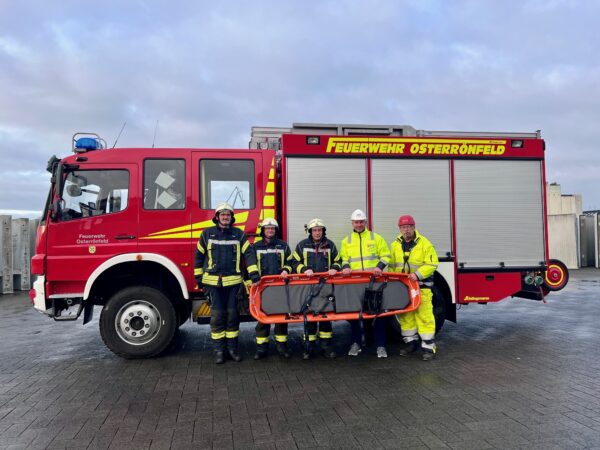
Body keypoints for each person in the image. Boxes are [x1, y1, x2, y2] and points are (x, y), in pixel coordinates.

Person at [195, 202, 260, 364]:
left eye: (228, 215)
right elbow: (198, 257)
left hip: (233, 284)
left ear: (232, 218)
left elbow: (249, 253)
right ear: (217, 217)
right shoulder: (206, 234)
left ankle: (232, 350)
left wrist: (253, 273)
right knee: (217, 317)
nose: (225, 217)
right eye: (222, 214)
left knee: (232, 316)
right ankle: (219, 351)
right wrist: (198, 278)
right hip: (213, 283)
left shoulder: (239, 234)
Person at [340, 209, 391, 358]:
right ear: (352, 223)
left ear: (366, 222)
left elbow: (386, 255)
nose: (359, 224)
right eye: (356, 222)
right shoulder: (346, 240)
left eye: (361, 221)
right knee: (355, 316)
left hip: (374, 283)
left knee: (378, 315)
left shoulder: (376, 238)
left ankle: (380, 346)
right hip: (355, 284)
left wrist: (379, 267)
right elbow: (344, 259)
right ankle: (356, 344)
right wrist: (346, 267)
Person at [389, 215, 439, 361]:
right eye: (403, 227)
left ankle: (428, 348)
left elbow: (432, 264)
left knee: (424, 316)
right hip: (403, 288)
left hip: (421, 287)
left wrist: (417, 275)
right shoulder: (395, 245)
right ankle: (411, 344)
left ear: (414, 227)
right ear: (399, 229)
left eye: (409, 226)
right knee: (406, 317)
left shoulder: (425, 243)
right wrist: (393, 282)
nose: (407, 230)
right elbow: (392, 266)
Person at [291, 218, 341, 359]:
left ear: (323, 231)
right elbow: (295, 262)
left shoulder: (330, 245)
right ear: (310, 231)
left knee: (325, 316)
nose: (317, 233)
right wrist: (304, 269)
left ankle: (326, 346)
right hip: (308, 287)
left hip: (325, 286)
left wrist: (334, 269)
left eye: (320, 230)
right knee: (310, 316)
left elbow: (338, 261)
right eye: (315, 230)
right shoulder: (302, 245)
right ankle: (309, 347)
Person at [253, 218, 294, 360]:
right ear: (263, 230)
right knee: (262, 319)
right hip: (262, 289)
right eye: (267, 228)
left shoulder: (283, 246)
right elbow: (250, 266)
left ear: (276, 230)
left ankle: (282, 347)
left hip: (279, 288)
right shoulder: (256, 246)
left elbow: (291, 262)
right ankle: (261, 348)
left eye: (272, 228)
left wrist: (285, 270)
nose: (270, 230)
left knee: (281, 318)